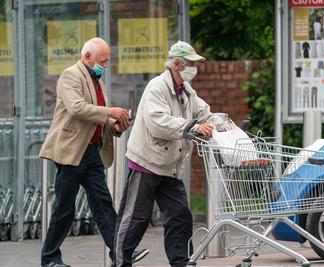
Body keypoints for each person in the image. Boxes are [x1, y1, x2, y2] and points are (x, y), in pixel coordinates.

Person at [113, 40, 232, 267]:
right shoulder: (157, 87)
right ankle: (120, 262)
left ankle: (181, 262)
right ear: (177, 64)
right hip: (147, 162)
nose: (194, 68)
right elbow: (159, 123)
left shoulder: (187, 91)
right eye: (190, 63)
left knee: (180, 216)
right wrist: (194, 127)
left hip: (170, 166)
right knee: (136, 218)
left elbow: (204, 114)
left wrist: (227, 125)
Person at [39, 37, 148, 267]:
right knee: (65, 208)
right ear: (87, 56)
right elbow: (77, 108)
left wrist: (115, 124)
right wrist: (111, 111)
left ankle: (121, 254)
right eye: (102, 61)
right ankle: (49, 258)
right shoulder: (71, 75)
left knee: (103, 204)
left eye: (107, 62)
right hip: (72, 152)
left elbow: (96, 118)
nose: (105, 66)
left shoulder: (95, 80)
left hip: (92, 153)